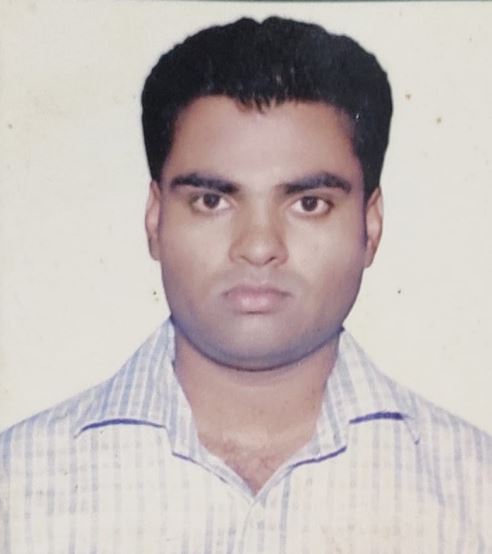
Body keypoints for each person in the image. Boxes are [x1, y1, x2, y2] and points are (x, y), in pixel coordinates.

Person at [0, 16, 490, 553]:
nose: (258, 246)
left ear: (370, 227)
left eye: (309, 204)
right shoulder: (16, 488)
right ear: (154, 220)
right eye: (212, 201)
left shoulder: (475, 493)